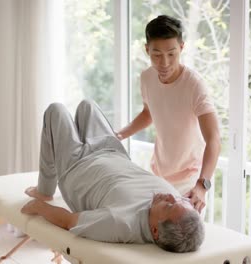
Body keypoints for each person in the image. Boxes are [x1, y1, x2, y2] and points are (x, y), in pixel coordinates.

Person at [21, 100, 204, 253]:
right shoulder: (179, 208)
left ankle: (44, 190)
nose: (171, 196)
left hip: (75, 167)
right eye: (180, 200)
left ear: (155, 230)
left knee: (56, 110)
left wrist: (39, 207)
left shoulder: (121, 223)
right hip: (111, 151)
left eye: (168, 205)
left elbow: (69, 221)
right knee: (88, 106)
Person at [115, 15, 221, 213]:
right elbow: (149, 113)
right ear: (147, 50)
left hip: (190, 178)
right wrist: (119, 135)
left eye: (171, 54)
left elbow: (214, 139)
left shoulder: (194, 84)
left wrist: (202, 185)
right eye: (157, 55)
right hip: (158, 174)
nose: (164, 63)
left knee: (179, 238)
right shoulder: (147, 78)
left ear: (181, 48)